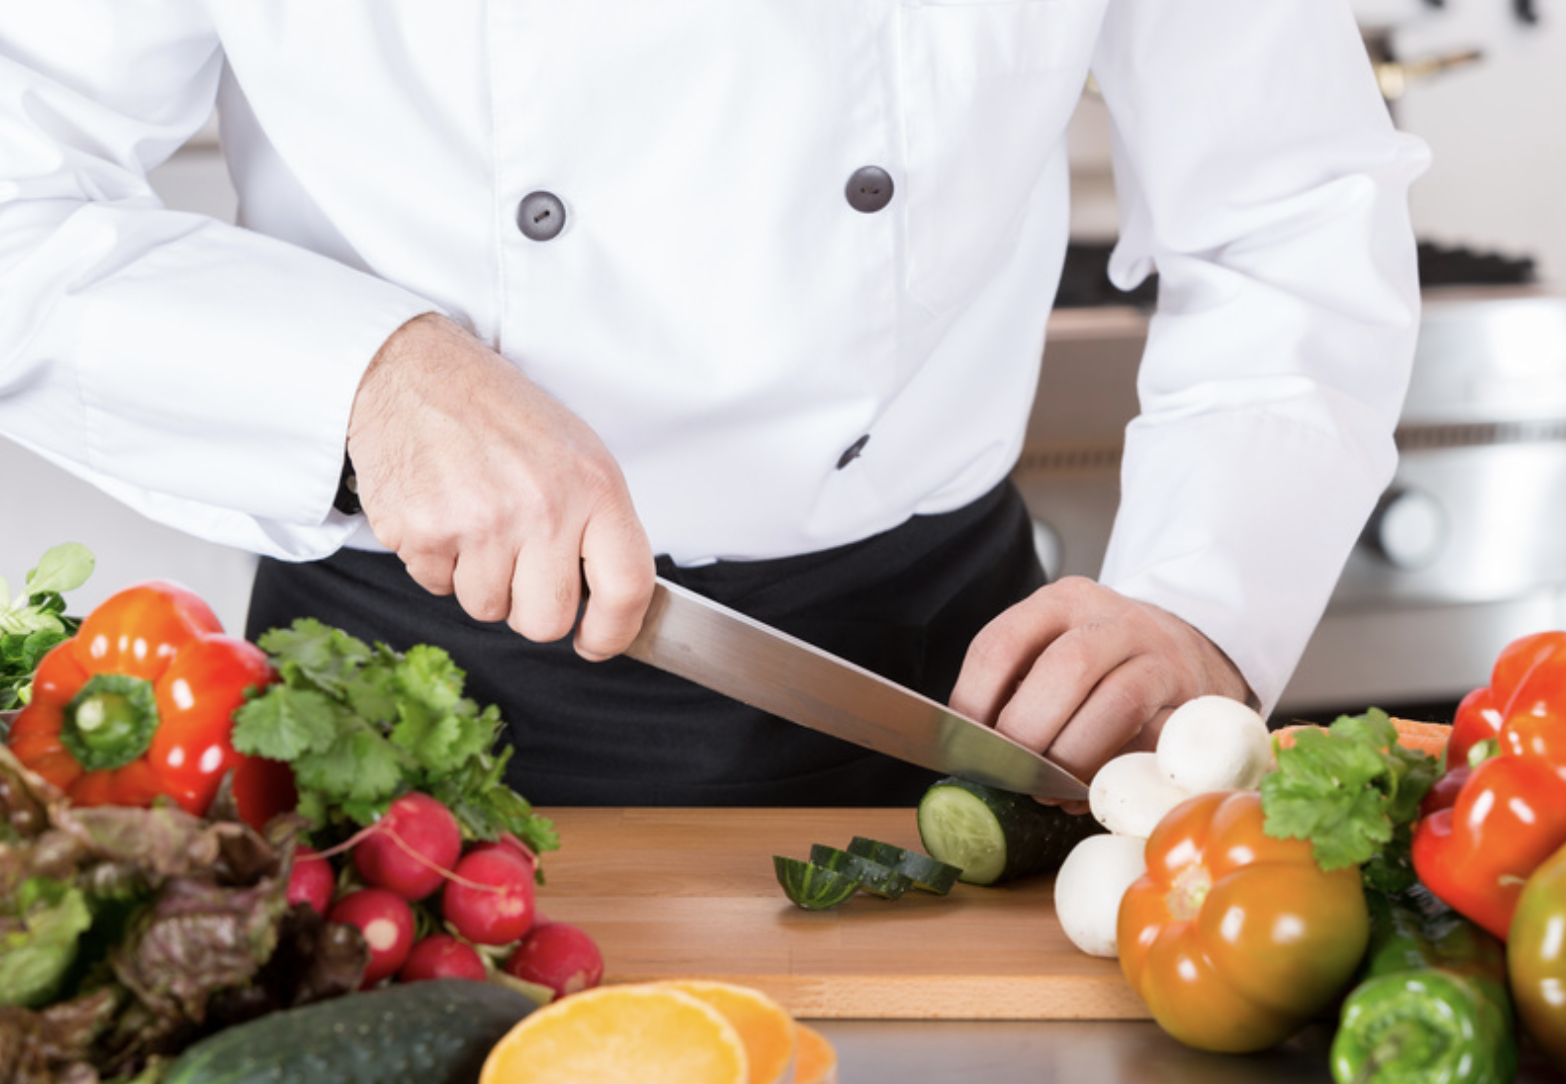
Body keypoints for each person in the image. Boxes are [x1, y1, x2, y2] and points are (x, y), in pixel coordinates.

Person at [0, 2, 1427, 807]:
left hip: (944, 694)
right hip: (397, 705)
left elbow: (1290, 208)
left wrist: (1199, 597)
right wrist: (372, 373)